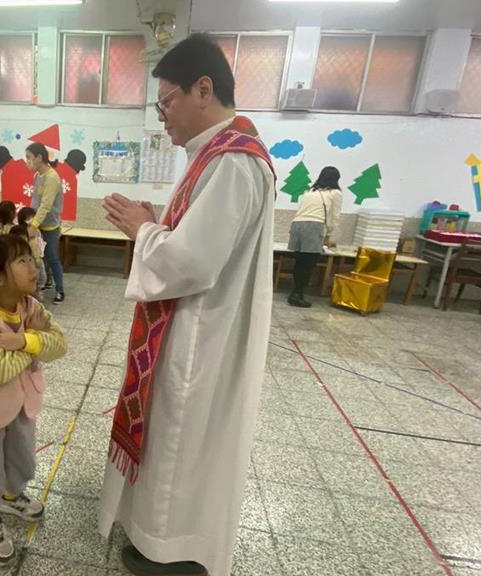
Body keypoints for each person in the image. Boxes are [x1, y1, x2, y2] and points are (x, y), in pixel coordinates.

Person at [99, 34, 276, 576]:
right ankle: (157, 538)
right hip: (192, 325)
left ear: (203, 89)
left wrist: (144, 230)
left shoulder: (233, 161)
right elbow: (195, 243)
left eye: (166, 102)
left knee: (181, 445)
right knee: (172, 442)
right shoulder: (214, 155)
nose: (163, 118)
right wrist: (158, 226)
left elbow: (194, 263)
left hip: (203, 333)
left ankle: (171, 553)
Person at [0, 234, 67, 566]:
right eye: (22, 261)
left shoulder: (29, 306)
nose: (34, 266)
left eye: (32, 258)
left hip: (22, 402)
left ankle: (11, 495)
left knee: (21, 458)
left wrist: (22, 341)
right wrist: (36, 340)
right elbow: (0, 370)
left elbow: (60, 345)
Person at [286, 166, 343, 308]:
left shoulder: (309, 191)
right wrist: (328, 234)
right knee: (309, 264)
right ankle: (297, 295)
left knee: (300, 262)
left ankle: (295, 292)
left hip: (297, 225)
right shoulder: (335, 193)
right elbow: (334, 217)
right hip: (314, 226)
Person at [26, 142, 65, 303]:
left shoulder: (52, 177)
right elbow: (35, 200)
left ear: (39, 157)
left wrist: (33, 225)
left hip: (50, 225)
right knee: (40, 256)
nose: (27, 161)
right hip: (37, 222)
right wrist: (30, 220)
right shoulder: (38, 176)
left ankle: (60, 290)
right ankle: (48, 281)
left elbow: (46, 205)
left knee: (52, 256)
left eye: (29, 157)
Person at [17, 206, 47, 296]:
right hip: (30, 258)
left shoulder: (37, 230)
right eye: (29, 218)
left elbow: (40, 241)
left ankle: (39, 291)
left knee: (42, 276)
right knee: (32, 276)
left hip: (39, 257)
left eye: (33, 217)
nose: (31, 220)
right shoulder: (22, 231)